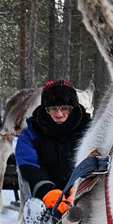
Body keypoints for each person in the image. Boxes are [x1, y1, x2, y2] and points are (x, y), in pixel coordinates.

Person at [15, 80, 91, 216]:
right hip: (44, 199)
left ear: (73, 107)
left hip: (83, 197)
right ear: (46, 109)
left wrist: (79, 187)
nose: (59, 114)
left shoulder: (90, 131)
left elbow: (95, 159)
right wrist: (47, 190)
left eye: (65, 108)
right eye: (53, 109)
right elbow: (28, 165)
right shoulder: (30, 133)